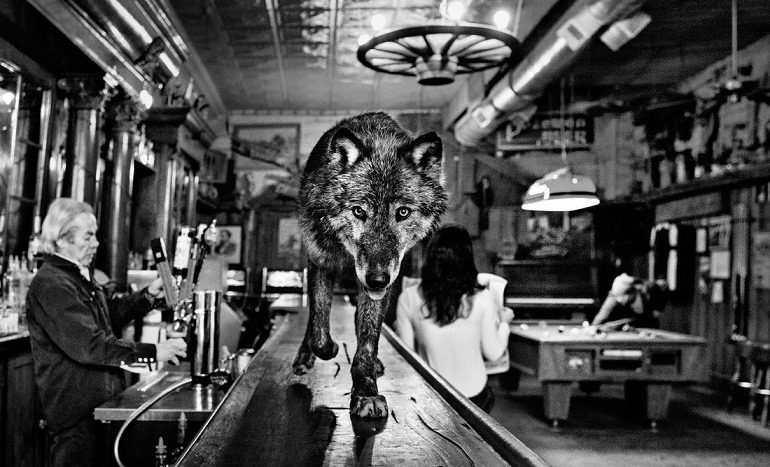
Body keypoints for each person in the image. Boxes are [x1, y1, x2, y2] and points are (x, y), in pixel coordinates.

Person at [26, 198, 187, 467]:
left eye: (96, 235)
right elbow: (90, 345)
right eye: (88, 236)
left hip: (100, 406)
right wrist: (155, 352)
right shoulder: (52, 284)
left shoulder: (77, 276)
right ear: (62, 239)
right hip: (76, 416)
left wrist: (147, 296)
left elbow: (106, 316)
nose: (96, 243)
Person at [395, 224, 512, 412]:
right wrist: (505, 323)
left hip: (431, 399)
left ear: (430, 256)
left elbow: (408, 362)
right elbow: (494, 353)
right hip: (476, 400)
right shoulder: (483, 298)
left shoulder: (408, 298)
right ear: (467, 258)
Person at [591, 273, 668, 328]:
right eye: (618, 298)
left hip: (647, 323)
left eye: (624, 295)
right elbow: (601, 315)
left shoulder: (652, 293)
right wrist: (593, 327)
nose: (621, 300)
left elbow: (654, 315)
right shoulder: (613, 297)